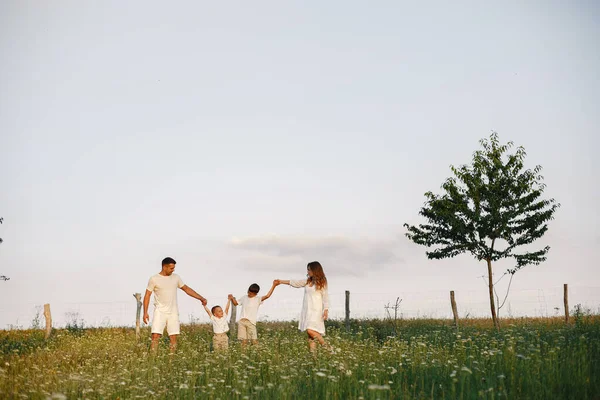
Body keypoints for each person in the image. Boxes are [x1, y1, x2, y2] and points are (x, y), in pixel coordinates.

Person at [143, 257, 208, 353]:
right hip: (160, 311)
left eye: (173, 268)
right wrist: (145, 312)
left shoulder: (176, 277)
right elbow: (147, 295)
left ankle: (171, 359)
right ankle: (153, 358)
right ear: (164, 267)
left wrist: (201, 298)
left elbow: (186, 289)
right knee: (155, 335)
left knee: (173, 336)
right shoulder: (154, 279)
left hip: (173, 312)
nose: (173, 270)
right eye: (171, 268)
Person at [275, 261, 331, 353]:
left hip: (316, 311)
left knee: (310, 330)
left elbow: (325, 297)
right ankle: (314, 358)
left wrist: (326, 310)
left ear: (315, 270)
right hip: (307, 310)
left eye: (309, 269)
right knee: (310, 337)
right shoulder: (307, 281)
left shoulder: (322, 282)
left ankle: (327, 347)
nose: (308, 271)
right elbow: (295, 283)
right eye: (308, 269)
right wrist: (280, 281)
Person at [230, 281, 278, 348]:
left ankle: (258, 354)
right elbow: (235, 303)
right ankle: (243, 355)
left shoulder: (258, 299)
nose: (249, 294)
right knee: (243, 342)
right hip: (242, 321)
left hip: (251, 322)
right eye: (248, 291)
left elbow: (267, 296)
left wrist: (274, 285)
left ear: (255, 294)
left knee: (254, 341)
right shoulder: (244, 297)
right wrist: (232, 298)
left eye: (251, 293)